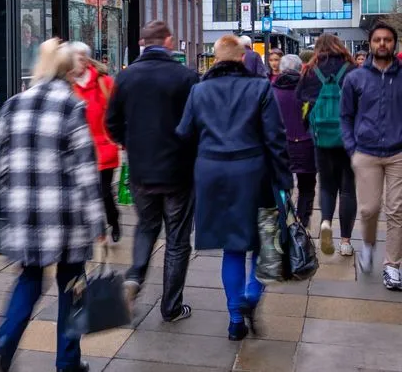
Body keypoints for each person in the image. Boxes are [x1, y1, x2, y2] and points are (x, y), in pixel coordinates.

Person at [0, 38, 105, 372]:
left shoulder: (13, 105)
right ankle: (68, 363)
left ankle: (5, 343)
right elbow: (85, 171)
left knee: (29, 280)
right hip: (66, 217)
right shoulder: (72, 106)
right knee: (73, 287)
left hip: (25, 213)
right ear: (68, 72)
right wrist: (98, 224)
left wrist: (13, 197)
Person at [177, 35, 292, 341]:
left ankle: (234, 318)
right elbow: (275, 139)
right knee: (262, 240)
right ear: (243, 59)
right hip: (253, 173)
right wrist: (284, 180)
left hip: (212, 175)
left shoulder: (199, 91)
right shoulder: (260, 88)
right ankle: (252, 294)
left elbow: (184, 134)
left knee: (232, 248)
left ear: (215, 60)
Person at [106, 21, 198, 323]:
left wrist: (129, 143)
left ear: (143, 43)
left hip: (142, 169)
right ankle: (171, 306)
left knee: (146, 227)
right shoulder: (185, 77)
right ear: (168, 41)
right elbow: (196, 123)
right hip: (178, 171)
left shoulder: (126, 77)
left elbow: (112, 123)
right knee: (177, 239)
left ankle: (133, 278)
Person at [341, 21, 402, 289]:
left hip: (398, 152)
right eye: (377, 40)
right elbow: (345, 115)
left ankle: (392, 265)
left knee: (397, 210)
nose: (382, 44)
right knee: (368, 210)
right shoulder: (355, 78)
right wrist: (351, 147)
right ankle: (367, 246)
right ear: (370, 43)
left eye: (387, 40)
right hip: (365, 153)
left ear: (394, 43)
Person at [297, 34, 356, 257]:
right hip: (348, 138)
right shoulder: (351, 69)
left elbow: (299, 99)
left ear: (318, 49)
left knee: (327, 185)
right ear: (340, 47)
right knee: (348, 189)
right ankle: (345, 242)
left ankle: (325, 223)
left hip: (321, 137)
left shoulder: (311, 70)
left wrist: (309, 124)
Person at [71, 41, 121, 242]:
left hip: (103, 148)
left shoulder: (104, 82)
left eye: (81, 58)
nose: (77, 62)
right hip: (78, 150)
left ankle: (114, 220)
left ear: (86, 59)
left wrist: (116, 137)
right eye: (74, 58)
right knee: (84, 194)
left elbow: (118, 112)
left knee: (103, 193)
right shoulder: (67, 86)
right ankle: (97, 231)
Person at [271, 55, 317, 228]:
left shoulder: (271, 90)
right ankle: (302, 223)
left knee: (282, 187)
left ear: (281, 69)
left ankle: (283, 221)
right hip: (307, 145)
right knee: (307, 187)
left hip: (281, 146)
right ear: (300, 69)